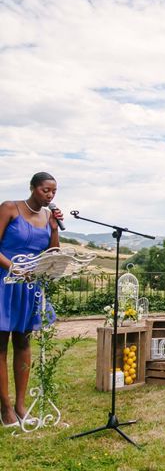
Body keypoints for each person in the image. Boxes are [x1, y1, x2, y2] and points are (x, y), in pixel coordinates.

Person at [0, 172, 63, 427]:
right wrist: (12, 268)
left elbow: (53, 252)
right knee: (1, 346)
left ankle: (21, 405)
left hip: (29, 287)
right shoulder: (9, 208)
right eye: (45, 190)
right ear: (33, 188)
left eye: (53, 192)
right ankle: (5, 408)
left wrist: (55, 228)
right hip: (4, 282)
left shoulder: (49, 217)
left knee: (24, 344)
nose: (50, 195)